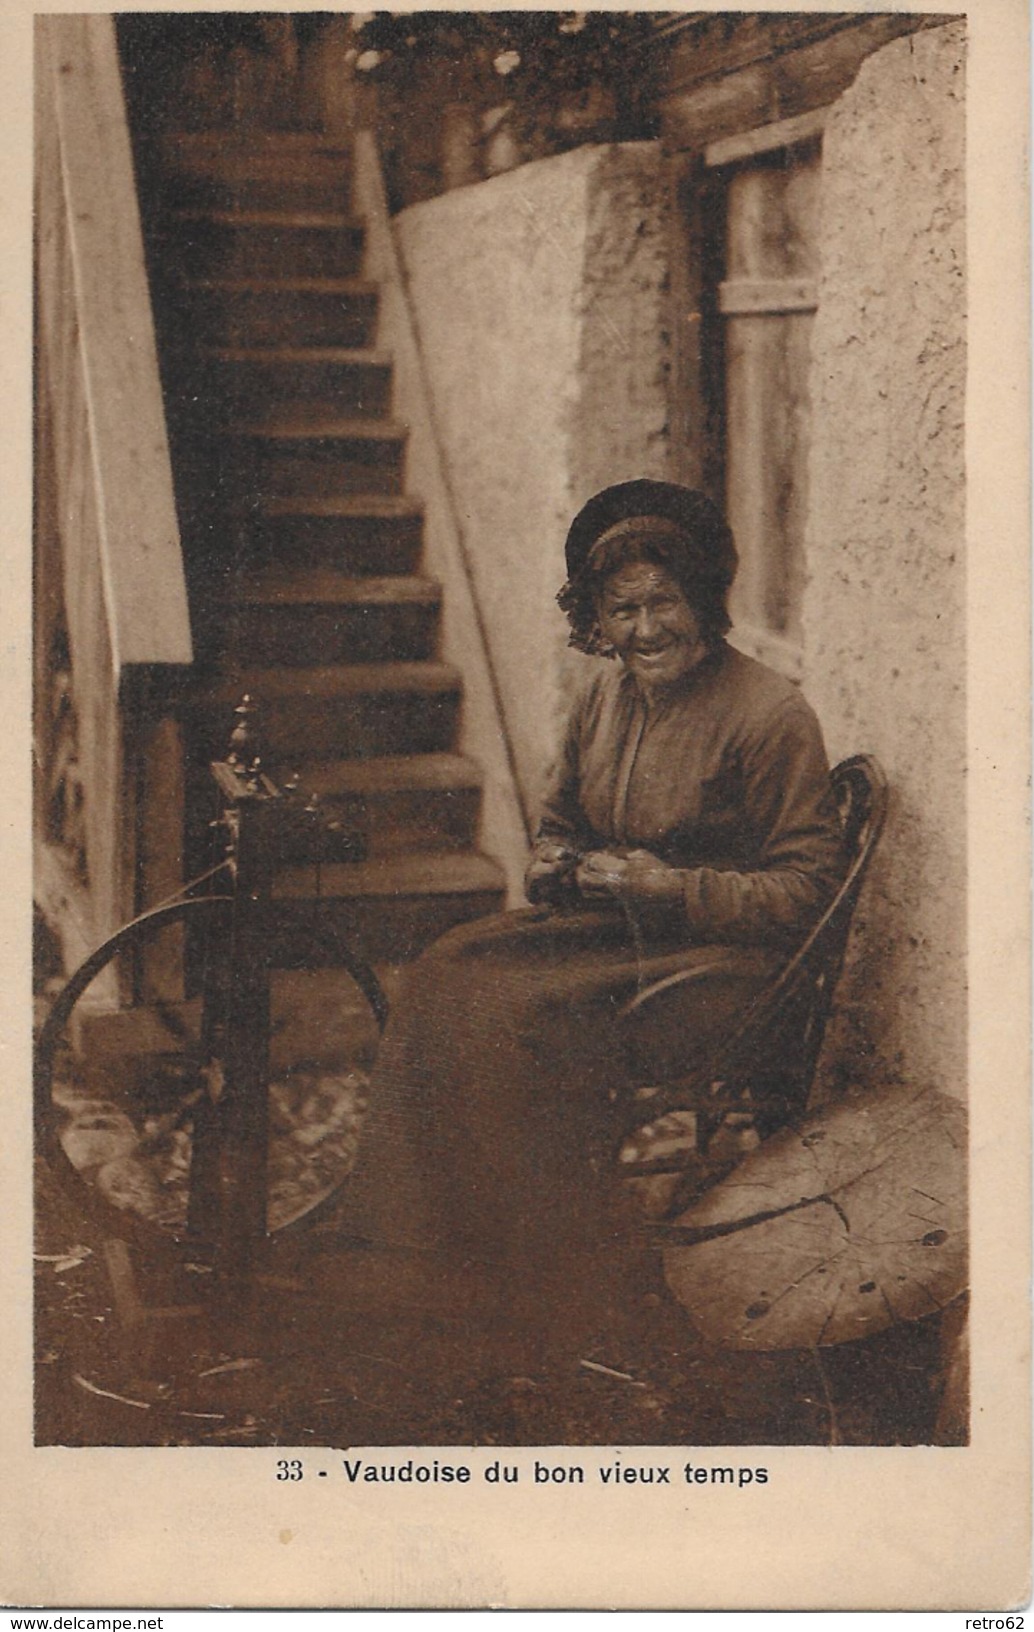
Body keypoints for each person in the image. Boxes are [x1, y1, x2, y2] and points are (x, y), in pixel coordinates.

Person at [341, 480, 845, 1362]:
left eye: (665, 603)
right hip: (616, 938)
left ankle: (540, 1278)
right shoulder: (604, 699)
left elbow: (804, 892)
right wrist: (553, 863)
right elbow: (563, 823)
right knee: (445, 968)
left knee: (514, 1020)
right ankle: (421, 1246)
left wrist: (671, 887)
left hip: (720, 970)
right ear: (596, 622)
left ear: (704, 601)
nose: (646, 630)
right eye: (623, 611)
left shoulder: (771, 716)